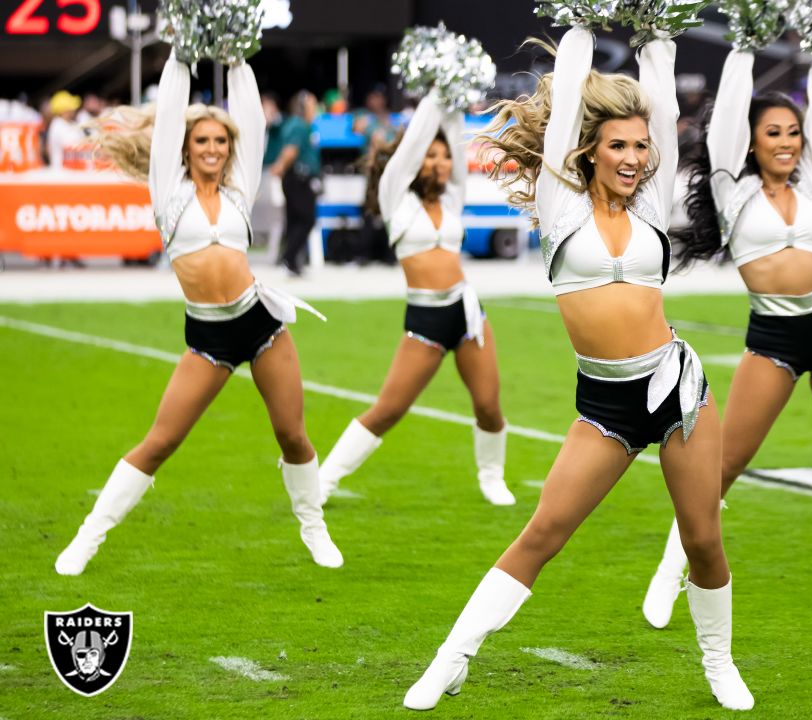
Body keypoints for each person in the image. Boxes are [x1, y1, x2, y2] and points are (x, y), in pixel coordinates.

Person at [401, 25, 753, 712]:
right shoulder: (562, 209)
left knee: (704, 539)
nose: (632, 157)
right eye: (617, 145)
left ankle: (718, 662)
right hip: (606, 405)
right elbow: (568, 93)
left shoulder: (650, 204)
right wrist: (584, 23)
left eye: (640, 146)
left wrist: (654, 37)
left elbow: (664, 108)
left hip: (678, 389)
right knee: (542, 534)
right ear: (588, 150)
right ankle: (450, 659)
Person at [640, 47, 812, 629]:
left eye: (792, 132)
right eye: (773, 133)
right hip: (773, 338)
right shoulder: (732, 189)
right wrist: (740, 46)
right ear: (752, 144)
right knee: (726, 463)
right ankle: (668, 571)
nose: (787, 142)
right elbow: (731, 114)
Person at [54, 48, 342, 575]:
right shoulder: (168, 192)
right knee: (159, 442)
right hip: (207, 338)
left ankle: (313, 524)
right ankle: (86, 538)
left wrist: (235, 58)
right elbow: (168, 112)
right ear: (186, 149)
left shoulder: (239, 189)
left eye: (220, 141)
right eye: (202, 141)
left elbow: (251, 116)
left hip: (262, 325)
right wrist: (183, 56)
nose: (212, 148)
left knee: (293, 435)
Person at [318, 89, 515, 507]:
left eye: (443, 157)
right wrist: (436, 90)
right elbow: (411, 147)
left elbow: (456, 142)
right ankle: (324, 479)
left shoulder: (452, 196)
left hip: (467, 313)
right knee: (387, 410)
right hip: (425, 319)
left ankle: (491, 476)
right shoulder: (396, 198)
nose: (440, 163)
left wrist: (452, 102)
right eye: (431, 157)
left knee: (488, 406)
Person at [271, 90, 321, 275]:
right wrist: (281, 166)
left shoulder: (295, 124)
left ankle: (292, 261)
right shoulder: (300, 126)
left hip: (294, 177)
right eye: (313, 105)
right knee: (307, 219)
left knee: (294, 220)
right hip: (298, 177)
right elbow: (290, 150)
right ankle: (289, 257)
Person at [46, 90, 85, 170]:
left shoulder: (72, 123)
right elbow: (71, 145)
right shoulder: (57, 125)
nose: (74, 110)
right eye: (71, 107)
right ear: (63, 110)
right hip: (62, 171)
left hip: (74, 170)